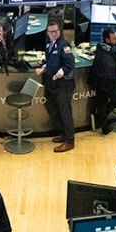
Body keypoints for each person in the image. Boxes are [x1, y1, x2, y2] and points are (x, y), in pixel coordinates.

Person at [36, 20, 76, 152]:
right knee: (52, 108)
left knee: (65, 113)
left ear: (59, 32)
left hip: (62, 85)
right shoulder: (49, 45)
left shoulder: (64, 45)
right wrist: (43, 67)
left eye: (56, 31)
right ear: (47, 33)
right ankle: (64, 134)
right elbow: (51, 61)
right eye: (51, 32)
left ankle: (70, 141)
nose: (53, 34)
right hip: (51, 84)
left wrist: (58, 73)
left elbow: (70, 64)